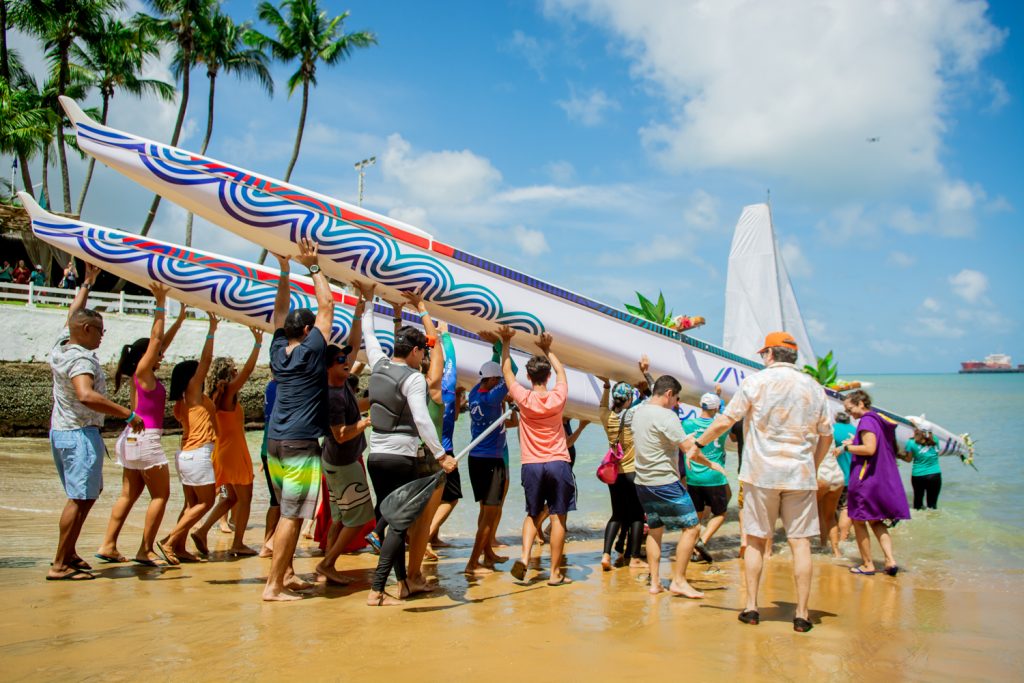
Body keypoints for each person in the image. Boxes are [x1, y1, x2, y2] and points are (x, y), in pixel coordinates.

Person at [686, 332, 833, 632]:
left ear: (769, 355)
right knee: (800, 543)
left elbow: (726, 420)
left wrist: (698, 444)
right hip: (799, 476)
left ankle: (752, 607)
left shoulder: (755, 383)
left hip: (760, 474)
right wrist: (812, 466)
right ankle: (802, 614)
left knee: (754, 540)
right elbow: (827, 434)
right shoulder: (814, 387)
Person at [355, 282, 455, 606]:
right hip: (401, 459)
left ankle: (403, 586)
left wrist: (368, 302)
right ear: (414, 352)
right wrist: (441, 456)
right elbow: (423, 420)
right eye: (422, 351)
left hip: (376, 456)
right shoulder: (413, 379)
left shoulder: (378, 362)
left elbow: (368, 334)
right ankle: (376, 590)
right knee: (397, 526)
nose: (424, 355)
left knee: (391, 518)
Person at [46, 263, 144, 580]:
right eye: (100, 331)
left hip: (62, 432)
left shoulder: (63, 344)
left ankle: (69, 551)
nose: (102, 337)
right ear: (87, 331)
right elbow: (86, 395)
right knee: (80, 498)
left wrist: (87, 283)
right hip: (78, 434)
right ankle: (60, 563)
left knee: (83, 495)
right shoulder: (81, 358)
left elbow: (73, 314)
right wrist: (127, 413)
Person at [262, 240, 333, 601]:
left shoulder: (277, 350)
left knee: (286, 508)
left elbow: (278, 312)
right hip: (300, 443)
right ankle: (273, 586)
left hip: (274, 442)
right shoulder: (311, 350)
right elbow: (327, 305)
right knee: (292, 515)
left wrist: (285, 270)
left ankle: (286, 573)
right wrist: (314, 267)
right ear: (307, 331)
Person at [96, 293, 186, 566]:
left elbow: (160, 344)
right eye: (157, 354)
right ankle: (145, 549)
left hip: (130, 439)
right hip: (146, 440)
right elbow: (156, 341)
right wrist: (161, 303)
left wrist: (180, 319)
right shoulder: (143, 373)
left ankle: (108, 545)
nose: (161, 357)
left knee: (128, 494)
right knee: (161, 495)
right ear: (146, 356)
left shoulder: (141, 375)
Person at [632, 375, 724, 598]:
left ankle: (655, 583)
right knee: (692, 528)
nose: (677, 404)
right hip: (665, 481)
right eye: (675, 399)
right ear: (668, 394)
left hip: (643, 481)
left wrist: (684, 437)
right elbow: (688, 449)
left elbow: (661, 438)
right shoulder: (667, 416)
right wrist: (712, 464)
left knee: (655, 529)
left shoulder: (639, 411)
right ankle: (679, 581)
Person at [498, 326, 574, 587]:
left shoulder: (523, 398)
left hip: (531, 464)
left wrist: (506, 342)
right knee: (557, 517)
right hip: (558, 461)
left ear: (528, 377)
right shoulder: (558, 397)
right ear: (547, 376)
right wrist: (547, 349)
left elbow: (506, 371)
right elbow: (562, 373)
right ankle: (554, 573)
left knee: (532, 514)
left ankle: (524, 557)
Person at [316, 293, 375, 585]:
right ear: (329, 365)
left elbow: (352, 346)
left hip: (334, 463)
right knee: (360, 518)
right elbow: (340, 435)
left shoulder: (340, 383)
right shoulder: (334, 395)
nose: (347, 361)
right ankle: (328, 563)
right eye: (341, 360)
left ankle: (328, 558)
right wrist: (366, 423)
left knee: (339, 516)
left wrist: (357, 312)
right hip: (343, 462)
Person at [192, 327, 264, 556]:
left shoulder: (214, 395)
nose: (237, 371)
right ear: (227, 373)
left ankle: (202, 530)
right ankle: (238, 543)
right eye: (233, 369)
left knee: (231, 497)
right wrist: (258, 344)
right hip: (233, 451)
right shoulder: (228, 393)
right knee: (246, 498)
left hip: (223, 450)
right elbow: (249, 370)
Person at [161, 314, 220, 564]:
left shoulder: (181, 402)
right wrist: (212, 329)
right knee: (207, 502)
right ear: (192, 378)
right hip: (198, 454)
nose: (202, 374)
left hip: (186, 454)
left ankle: (180, 548)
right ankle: (169, 541)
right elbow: (206, 361)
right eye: (198, 374)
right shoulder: (192, 394)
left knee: (191, 505)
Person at [842, 390, 911, 577]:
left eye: (850, 409)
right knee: (876, 520)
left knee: (857, 520)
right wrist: (855, 441)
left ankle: (867, 564)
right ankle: (890, 560)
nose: (850, 414)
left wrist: (846, 447)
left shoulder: (866, 421)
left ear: (861, 404)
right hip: (878, 477)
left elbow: (869, 448)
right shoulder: (879, 420)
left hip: (865, 480)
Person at [464, 359, 514, 576]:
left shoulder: (475, 392)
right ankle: (473, 563)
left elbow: (500, 375)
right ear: (493, 380)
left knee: (485, 510)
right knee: (490, 514)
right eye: (498, 381)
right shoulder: (492, 397)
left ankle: (487, 554)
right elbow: (511, 374)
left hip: (475, 458)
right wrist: (505, 343)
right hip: (491, 461)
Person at [598, 378, 646, 571]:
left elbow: (602, 405)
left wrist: (606, 386)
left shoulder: (605, 416)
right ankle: (634, 558)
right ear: (628, 400)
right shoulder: (634, 415)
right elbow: (651, 403)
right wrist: (643, 390)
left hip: (615, 474)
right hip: (632, 472)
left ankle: (606, 555)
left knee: (617, 514)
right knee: (636, 516)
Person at [682, 392, 731, 564]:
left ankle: (692, 549)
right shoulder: (722, 426)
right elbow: (732, 436)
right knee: (720, 513)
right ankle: (702, 542)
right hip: (714, 477)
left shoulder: (687, 424)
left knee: (697, 517)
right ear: (717, 408)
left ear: (700, 405)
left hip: (693, 477)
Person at [258, 374, 279, 558]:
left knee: (276, 501)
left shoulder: (270, 386)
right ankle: (270, 544)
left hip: (268, 448)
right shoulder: (282, 386)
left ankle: (268, 543)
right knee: (284, 502)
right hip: (278, 450)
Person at [830, 411, 856, 553]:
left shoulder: (831, 429)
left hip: (832, 476)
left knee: (830, 509)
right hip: (852, 477)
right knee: (845, 508)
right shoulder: (856, 431)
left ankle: (831, 541)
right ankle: (843, 540)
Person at [901, 421, 942, 510]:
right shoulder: (935, 440)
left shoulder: (911, 443)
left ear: (919, 431)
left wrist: (899, 455)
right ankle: (932, 522)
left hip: (919, 476)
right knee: (932, 505)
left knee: (918, 504)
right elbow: (936, 453)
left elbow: (908, 460)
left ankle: (918, 522)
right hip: (935, 475)